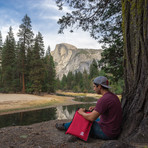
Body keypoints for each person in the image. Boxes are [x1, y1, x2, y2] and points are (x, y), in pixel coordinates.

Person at [55, 76, 122, 140]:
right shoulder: (113, 96)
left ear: (99, 86)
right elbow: (107, 108)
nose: (94, 89)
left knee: (83, 118)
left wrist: (81, 113)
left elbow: (91, 118)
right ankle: (67, 125)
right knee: (90, 117)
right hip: (114, 130)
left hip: (107, 133)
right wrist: (96, 108)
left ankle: (65, 126)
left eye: (94, 86)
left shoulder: (103, 99)